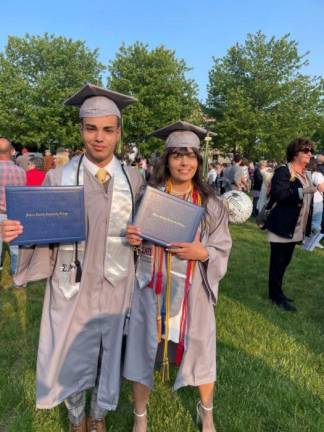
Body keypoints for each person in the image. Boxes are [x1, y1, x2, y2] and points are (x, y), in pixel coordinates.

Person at [1, 83, 144, 432]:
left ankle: (99, 414)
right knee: (71, 350)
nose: (99, 138)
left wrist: (142, 241)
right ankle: (77, 415)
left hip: (116, 281)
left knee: (109, 352)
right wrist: (17, 232)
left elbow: (148, 241)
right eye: (91, 128)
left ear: (118, 133)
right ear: (80, 130)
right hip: (72, 282)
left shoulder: (136, 180)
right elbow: (41, 228)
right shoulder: (58, 177)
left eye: (108, 130)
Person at [124, 121, 232, 432]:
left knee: (201, 347)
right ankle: (140, 416)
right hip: (151, 285)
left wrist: (204, 253)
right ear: (166, 160)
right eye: (176, 155)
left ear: (199, 162)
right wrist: (132, 238)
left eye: (190, 156)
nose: (184, 163)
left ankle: (206, 411)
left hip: (193, 291)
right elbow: (135, 237)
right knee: (141, 350)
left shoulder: (211, 204)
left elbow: (221, 246)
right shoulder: (150, 197)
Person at [266, 138, 316, 312]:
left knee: (284, 262)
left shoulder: (305, 173)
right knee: (278, 263)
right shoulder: (283, 171)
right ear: (296, 153)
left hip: (296, 227)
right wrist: (303, 191)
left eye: (311, 151)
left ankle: (277, 291)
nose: (310, 154)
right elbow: (279, 194)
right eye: (307, 151)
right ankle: (275, 296)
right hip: (282, 225)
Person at [0, 137, 26, 282]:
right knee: (16, 249)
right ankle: (17, 277)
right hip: (15, 213)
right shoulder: (21, 172)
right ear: (11, 151)